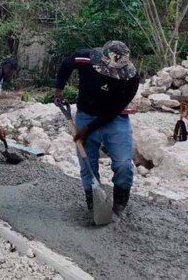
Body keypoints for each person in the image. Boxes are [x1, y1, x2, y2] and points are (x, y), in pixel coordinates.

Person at [55, 41, 139, 215]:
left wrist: (88, 129)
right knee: (88, 165)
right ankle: (95, 207)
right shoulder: (85, 58)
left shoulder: (131, 78)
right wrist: (58, 90)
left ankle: (119, 208)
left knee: (124, 164)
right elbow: (65, 65)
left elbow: (113, 110)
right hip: (86, 114)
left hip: (116, 118)